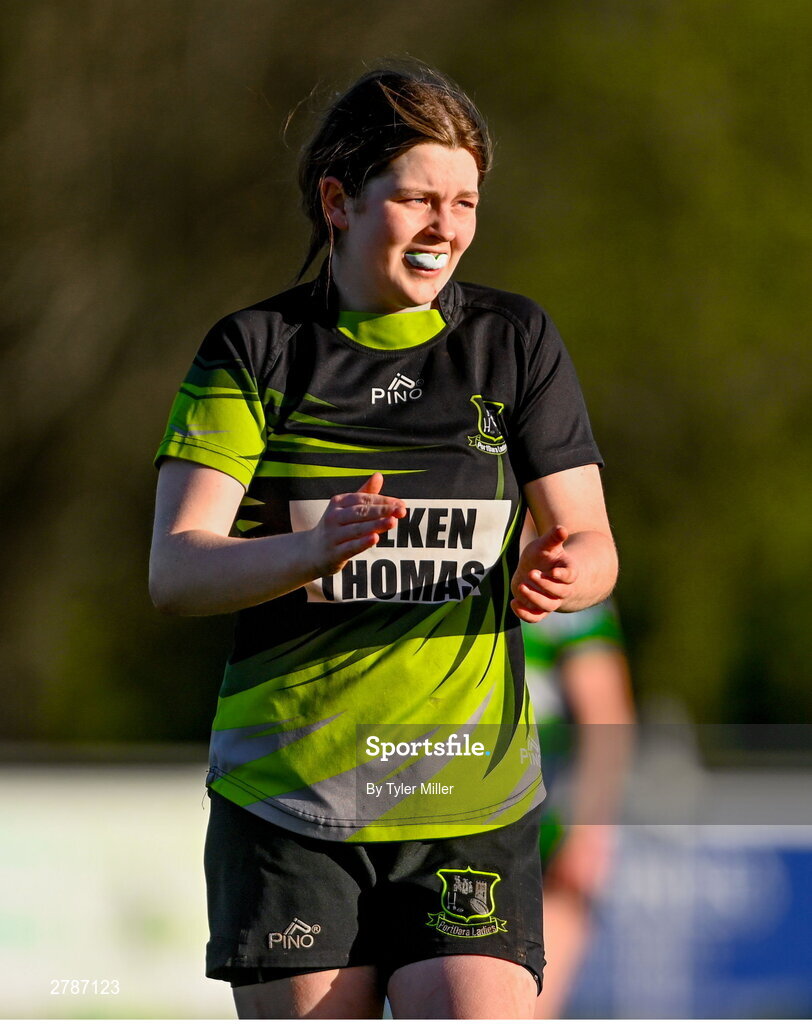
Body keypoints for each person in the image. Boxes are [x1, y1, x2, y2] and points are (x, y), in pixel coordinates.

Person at [150, 63, 618, 1020]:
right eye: (415, 199)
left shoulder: (514, 342)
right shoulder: (256, 350)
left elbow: (597, 546)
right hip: (291, 805)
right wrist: (309, 554)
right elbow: (176, 569)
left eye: (465, 201)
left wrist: (565, 571)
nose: (445, 227)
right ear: (338, 200)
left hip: (471, 801)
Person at [521, 594, 635, 1018]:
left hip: (541, 833)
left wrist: (588, 831)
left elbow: (604, 713)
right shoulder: (432, 567)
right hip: (441, 815)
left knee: (526, 1006)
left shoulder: (568, 587)